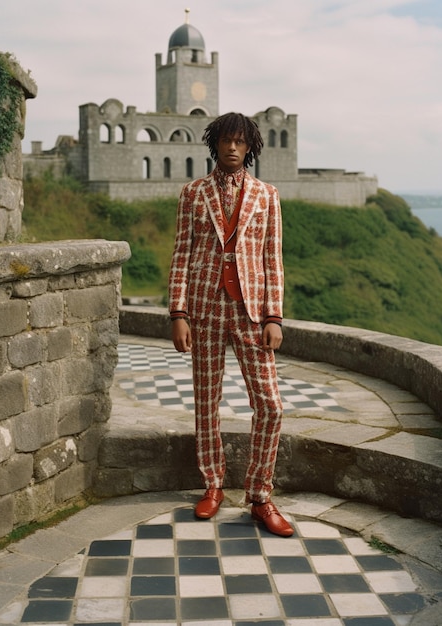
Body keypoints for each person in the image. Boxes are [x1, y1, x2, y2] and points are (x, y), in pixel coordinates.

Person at [168, 112, 293, 537]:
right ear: (215, 143)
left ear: (251, 146)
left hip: (251, 312)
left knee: (271, 405)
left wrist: (274, 315)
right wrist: (178, 313)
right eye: (226, 141)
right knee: (206, 402)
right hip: (203, 310)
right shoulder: (192, 193)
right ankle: (213, 484)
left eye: (240, 142)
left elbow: (272, 259)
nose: (233, 148)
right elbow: (181, 255)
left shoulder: (267, 195)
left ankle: (259, 495)